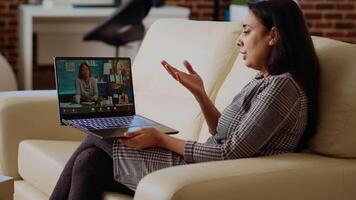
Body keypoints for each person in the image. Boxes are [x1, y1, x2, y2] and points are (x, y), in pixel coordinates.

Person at [50, 0, 320, 199]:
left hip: (211, 174)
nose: (239, 40)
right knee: (89, 162)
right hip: (206, 165)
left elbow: (228, 153)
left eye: (247, 31)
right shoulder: (265, 79)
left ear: (273, 35)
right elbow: (224, 134)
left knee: (99, 134)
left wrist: (161, 138)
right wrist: (200, 93)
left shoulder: (281, 87)